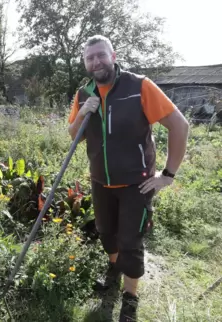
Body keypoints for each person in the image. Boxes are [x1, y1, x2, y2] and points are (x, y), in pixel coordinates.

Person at [68, 35, 189, 321]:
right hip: (101, 182)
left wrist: (168, 175)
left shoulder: (139, 87)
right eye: (90, 58)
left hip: (137, 183)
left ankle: (130, 296)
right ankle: (113, 271)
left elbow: (179, 126)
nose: (95, 61)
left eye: (100, 55)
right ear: (85, 63)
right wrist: (82, 114)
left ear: (113, 55)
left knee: (130, 242)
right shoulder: (84, 93)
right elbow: (74, 136)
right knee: (105, 231)